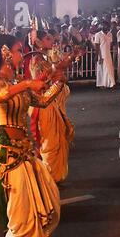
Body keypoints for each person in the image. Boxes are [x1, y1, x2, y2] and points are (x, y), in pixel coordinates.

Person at [0, 33, 62, 237]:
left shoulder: (17, 81)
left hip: (24, 154)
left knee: (44, 203)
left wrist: (58, 82)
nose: (22, 54)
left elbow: (44, 101)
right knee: (21, 217)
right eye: (18, 50)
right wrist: (27, 85)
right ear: (6, 54)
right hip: (7, 157)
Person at [28, 30, 76, 183]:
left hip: (52, 102)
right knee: (50, 141)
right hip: (44, 104)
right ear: (39, 42)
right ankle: (48, 176)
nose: (52, 42)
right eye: (48, 39)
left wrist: (63, 66)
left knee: (58, 137)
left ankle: (54, 175)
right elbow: (40, 83)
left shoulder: (45, 58)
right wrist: (56, 71)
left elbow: (56, 75)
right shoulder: (36, 60)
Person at [94, 21, 115, 88]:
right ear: (101, 26)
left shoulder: (110, 34)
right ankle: (102, 84)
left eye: (107, 25)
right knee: (101, 69)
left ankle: (110, 83)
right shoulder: (98, 34)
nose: (106, 27)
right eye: (104, 25)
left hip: (108, 54)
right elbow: (97, 46)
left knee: (109, 68)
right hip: (101, 54)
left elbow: (110, 44)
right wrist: (97, 55)